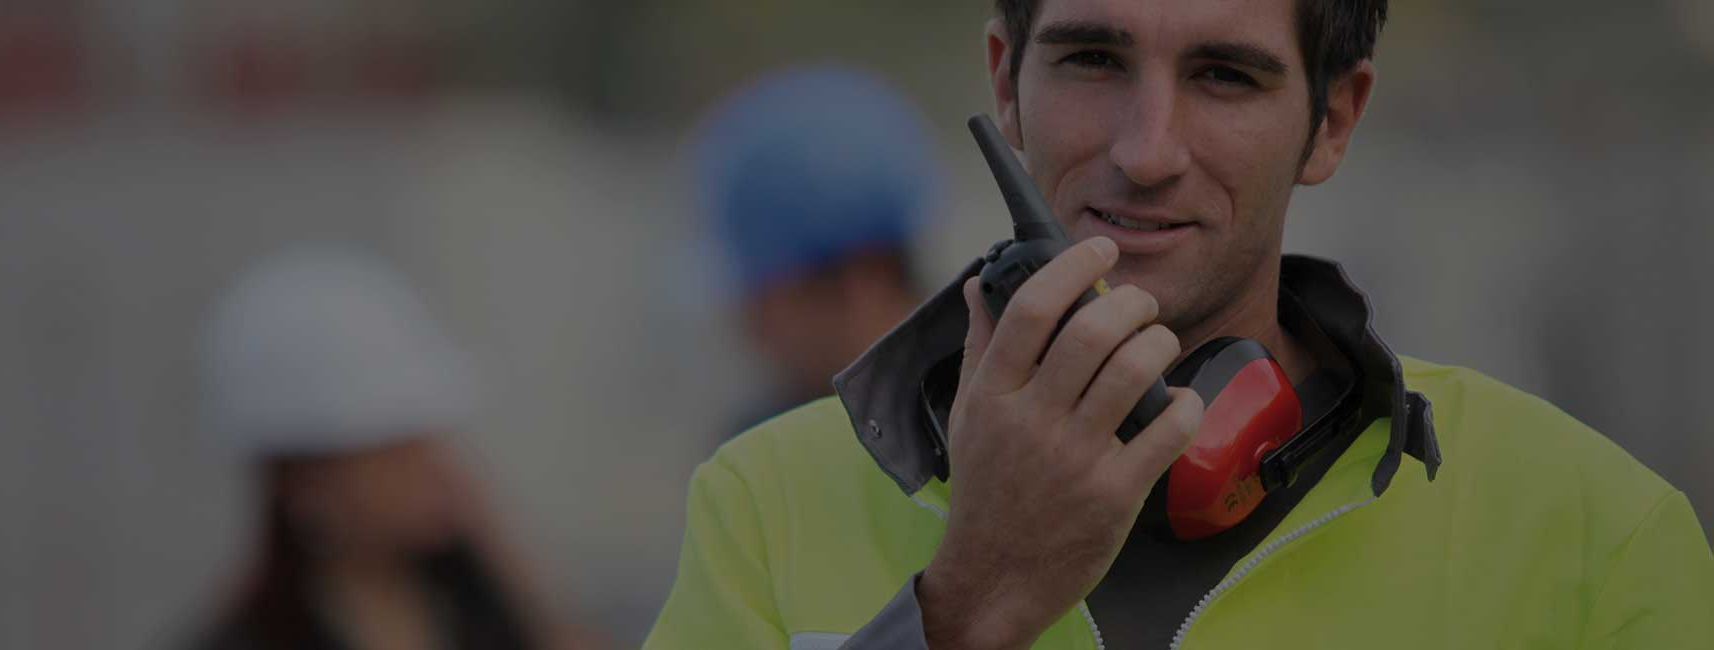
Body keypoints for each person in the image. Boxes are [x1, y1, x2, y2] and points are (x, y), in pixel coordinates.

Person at [646, 1, 1714, 649]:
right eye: (1093, 60)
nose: (1147, 149)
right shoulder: (760, 506)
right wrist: (966, 608)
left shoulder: (1595, 531)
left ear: (1332, 118)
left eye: (1223, 75)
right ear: (1005, 85)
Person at [193, 244, 577, 650]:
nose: (438, 469)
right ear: (304, 481)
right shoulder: (252, 637)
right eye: (397, 452)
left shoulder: (479, 607)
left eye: (431, 442)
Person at [693, 66, 940, 434]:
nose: (750, 330)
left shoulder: (982, 436)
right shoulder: (768, 439)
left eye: (761, 298)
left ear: (864, 282)